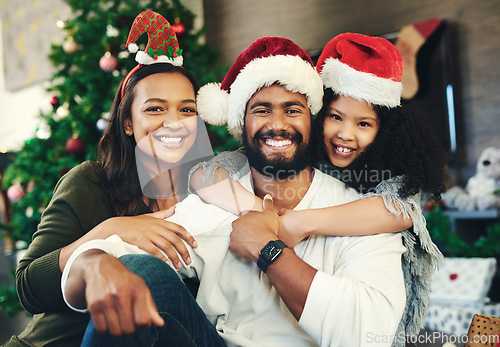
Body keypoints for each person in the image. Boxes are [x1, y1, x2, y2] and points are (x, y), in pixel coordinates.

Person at [62, 36, 407, 346]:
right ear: (241, 124)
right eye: (261, 110)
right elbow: (115, 251)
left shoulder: (359, 213)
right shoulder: (217, 198)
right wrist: (95, 264)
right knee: (144, 272)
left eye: (292, 110)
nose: (277, 124)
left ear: (312, 121)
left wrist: (268, 249)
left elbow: (367, 333)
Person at [190, 33, 446, 341]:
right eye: (336, 117)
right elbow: (204, 174)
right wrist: (261, 212)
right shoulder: (294, 154)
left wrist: (300, 221)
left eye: (363, 124)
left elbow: (401, 211)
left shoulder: (388, 175)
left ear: (384, 132)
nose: (345, 135)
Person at [3, 11, 208, 346]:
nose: (174, 121)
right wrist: (109, 230)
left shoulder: (209, 197)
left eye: (187, 110)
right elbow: (29, 289)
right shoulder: (89, 182)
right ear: (127, 122)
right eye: (155, 109)